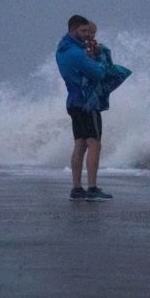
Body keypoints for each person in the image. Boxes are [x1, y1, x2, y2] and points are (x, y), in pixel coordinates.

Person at [55, 15, 112, 201]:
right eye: (83, 31)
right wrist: (100, 59)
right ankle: (92, 188)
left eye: (89, 31)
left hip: (73, 102)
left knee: (80, 144)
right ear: (73, 30)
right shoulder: (77, 53)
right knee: (94, 143)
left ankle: (77, 189)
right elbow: (99, 73)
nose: (87, 34)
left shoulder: (62, 50)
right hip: (88, 103)